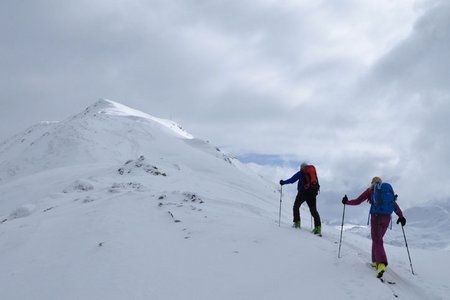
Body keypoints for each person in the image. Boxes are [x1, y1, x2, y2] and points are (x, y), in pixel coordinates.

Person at [342, 176, 406, 278]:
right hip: (387, 219)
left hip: (376, 218)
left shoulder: (371, 190)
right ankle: (374, 261)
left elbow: (358, 201)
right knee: (377, 239)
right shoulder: (387, 191)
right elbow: (394, 204)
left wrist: (347, 202)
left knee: (377, 240)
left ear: (372, 183)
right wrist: (401, 216)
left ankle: (382, 264)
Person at [280, 163, 322, 235]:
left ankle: (297, 223)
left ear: (302, 168)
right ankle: (318, 228)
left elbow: (292, 180)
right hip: (312, 192)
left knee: (296, 206)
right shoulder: (313, 173)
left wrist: (283, 182)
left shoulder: (301, 173)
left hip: (303, 192)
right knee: (313, 210)